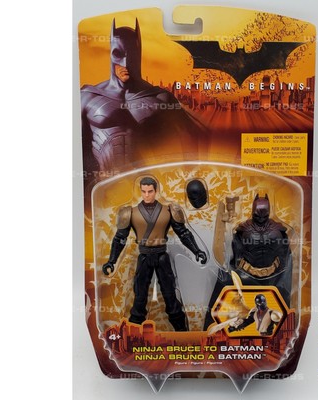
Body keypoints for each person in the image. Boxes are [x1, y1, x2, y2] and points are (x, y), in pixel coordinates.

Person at [81, 19, 207, 176]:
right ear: (111, 55)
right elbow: (77, 148)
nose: (125, 63)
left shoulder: (161, 99)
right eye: (118, 54)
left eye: (132, 55)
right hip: (102, 184)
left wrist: (189, 178)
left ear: (138, 55)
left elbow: (191, 137)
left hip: (148, 183)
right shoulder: (88, 97)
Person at [102, 177, 207, 331]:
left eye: (150, 191)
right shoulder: (130, 212)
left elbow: (183, 233)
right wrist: (112, 261)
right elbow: (120, 238)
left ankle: (182, 333)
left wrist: (196, 251)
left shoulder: (169, 210)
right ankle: (133, 332)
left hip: (162, 256)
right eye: (143, 191)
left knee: (170, 296)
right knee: (139, 298)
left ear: (156, 191)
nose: (147, 195)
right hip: (144, 257)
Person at [204, 194, 292, 330]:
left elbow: (285, 251)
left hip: (274, 276)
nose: (261, 218)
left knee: (284, 306)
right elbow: (234, 249)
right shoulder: (243, 229)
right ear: (253, 212)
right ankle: (210, 329)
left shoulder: (278, 229)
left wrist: (283, 271)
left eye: (264, 215)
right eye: (258, 215)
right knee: (224, 293)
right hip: (246, 274)